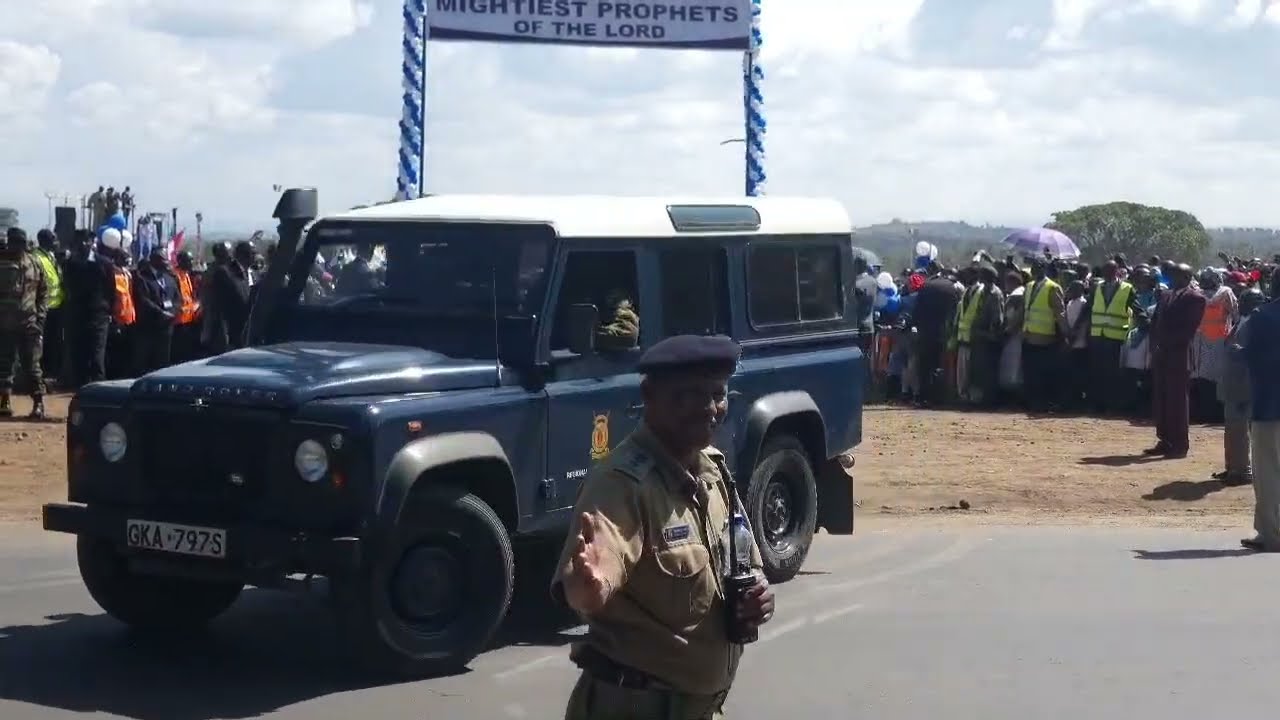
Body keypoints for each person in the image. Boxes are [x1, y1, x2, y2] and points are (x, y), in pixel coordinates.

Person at [552, 334, 774, 720]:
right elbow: (591, 583)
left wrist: (758, 595)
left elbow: (743, 560)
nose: (708, 408)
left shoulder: (713, 470)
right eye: (686, 397)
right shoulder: (622, 484)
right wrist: (589, 585)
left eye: (717, 394)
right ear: (649, 396)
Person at [1147, 264, 1206, 459]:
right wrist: (1155, 344)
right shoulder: (1165, 296)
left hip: (1179, 355)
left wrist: (1165, 343)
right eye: (1172, 275)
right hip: (1162, 354)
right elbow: (1155, 322)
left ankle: (1180, 444)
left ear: (1188, 277)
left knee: (1177, 401)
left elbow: (1188, 329)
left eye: (1177, 275)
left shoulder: (1195, 298)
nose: (1172, 278)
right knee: (1161, 398)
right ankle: (1164, 440)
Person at [1241, 268, 1280, 551]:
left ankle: (1272, 534)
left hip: (1269, 405)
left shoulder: (1262, 317)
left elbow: (1246, 357)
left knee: (1267, 474)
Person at [1215, 288, 1265, 487]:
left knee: (1241, 431)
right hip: (1232, 385)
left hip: (1244, 387)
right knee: (1232, 430)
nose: (1241, 304)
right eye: (1242, 300)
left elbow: (1255, 359)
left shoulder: (1256, 325)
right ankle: (1232, 468)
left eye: (1248, 301)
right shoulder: (1240, 322)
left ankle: (1243, 471)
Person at [0, 228, 50, 418]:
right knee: (4, 366)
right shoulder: (2, 262)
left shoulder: (34, 263)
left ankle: (38, 404)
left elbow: (43, 292)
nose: (15, 247)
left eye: (19, 243)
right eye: (12, 243)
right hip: (4, 323)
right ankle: (4, 403)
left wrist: (41, 317)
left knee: (32, 366)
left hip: (29, 323)